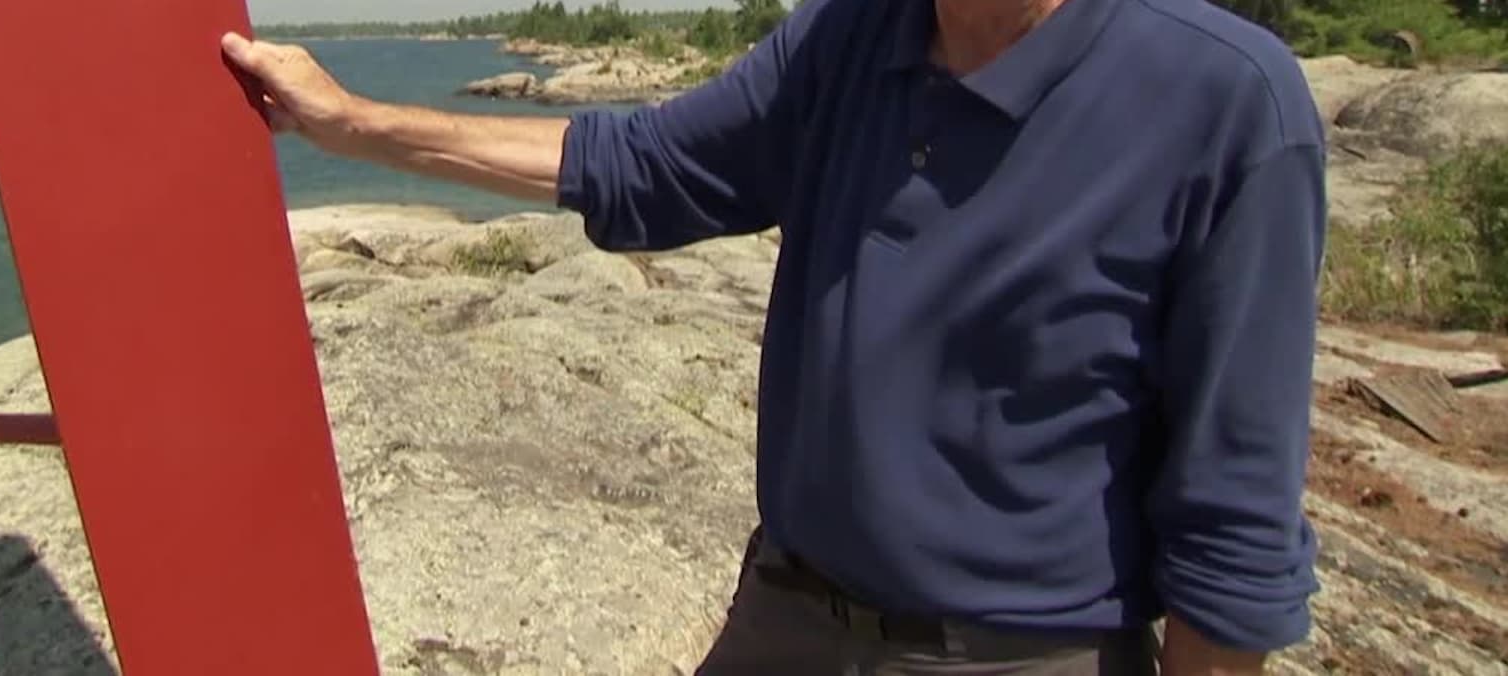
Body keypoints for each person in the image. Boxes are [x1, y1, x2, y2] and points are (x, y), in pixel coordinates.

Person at [220, 0, 1326, 672]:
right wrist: (353, 125)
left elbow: (1234, 523)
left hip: (1016, 655)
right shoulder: (854, 34)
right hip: (788, 620)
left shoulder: (1223, 103)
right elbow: (646, 166)